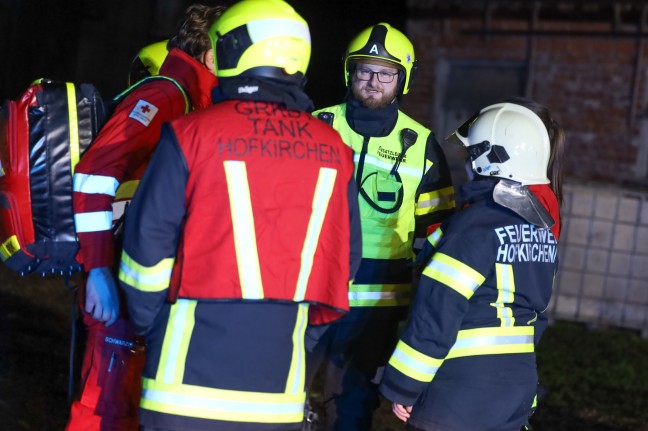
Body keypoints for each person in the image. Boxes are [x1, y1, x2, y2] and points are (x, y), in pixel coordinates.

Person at [117, 0, 362, 430]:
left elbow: (145, 249)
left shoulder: (191, 134)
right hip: (279, 390)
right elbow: (344, 265)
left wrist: (153, 327)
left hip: (181, 381)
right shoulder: (335, 151)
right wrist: (302, 337)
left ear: (234, 51)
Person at [67, 4, 225, 430]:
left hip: (150, 279)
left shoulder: (196, 98)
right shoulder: (165, 95)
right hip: (119, 276)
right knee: (105, 410)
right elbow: (93, 178)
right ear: (209, 50)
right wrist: (98, 270)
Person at [378, 100, 564, 431]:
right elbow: (536, 316)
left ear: (489, 159)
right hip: (516, 389)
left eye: (469, 154)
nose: (466, 162)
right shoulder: (541, 230)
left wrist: (403, 385)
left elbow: (437, 310)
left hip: (462, 389)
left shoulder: (475, 225)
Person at [306, 22, 456, 430]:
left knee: (352, 405)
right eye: (365, 70)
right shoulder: (315, 124)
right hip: (311, 287)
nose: (373, 81)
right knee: (282, 391)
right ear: (349, 73)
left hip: (378, 304)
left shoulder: (422, 144)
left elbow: (438, 229)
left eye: (385, 73)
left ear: (402, 80)